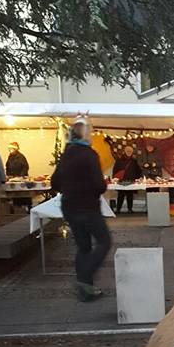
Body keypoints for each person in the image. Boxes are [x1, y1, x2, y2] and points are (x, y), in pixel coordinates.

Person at [51, 121, 111, 302]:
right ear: (84, 135)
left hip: (69, 207)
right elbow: (99, 185)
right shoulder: (89, 154)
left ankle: (86, 290)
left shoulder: (66, 154)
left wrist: (71, 187)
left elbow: (55, 183)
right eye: (90, 133)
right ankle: (84, 280)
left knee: (83, 247)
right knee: (104, 242)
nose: (92, 136)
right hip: (87, 207)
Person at [112, 144, 141, 214]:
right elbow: (115, 169)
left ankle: (130, 209)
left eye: (130, 151)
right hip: (121, 180)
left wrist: (138, 178)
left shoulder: (134, 161)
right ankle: (118, 209)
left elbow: (138, 170)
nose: (129, 152)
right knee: (120, 195)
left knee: (130, 195)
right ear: (124, 151)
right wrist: (115, 178)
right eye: (127, 151)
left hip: (131, 180)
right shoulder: (119, 160)